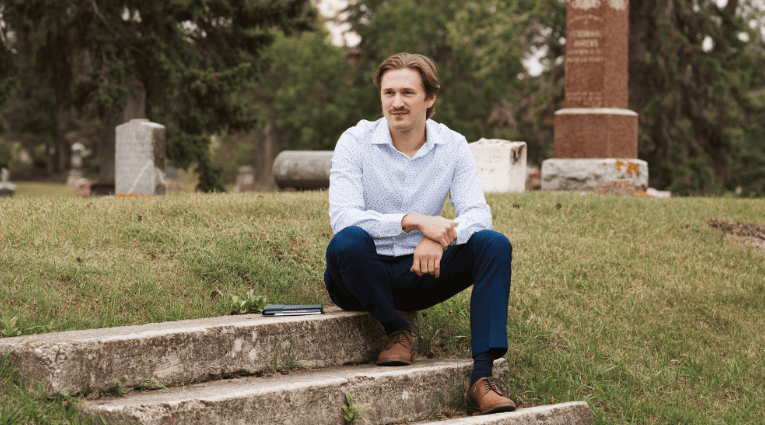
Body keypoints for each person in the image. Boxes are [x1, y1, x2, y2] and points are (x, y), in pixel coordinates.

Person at [324, 52, 516, 415]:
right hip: (361, 275)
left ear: (430, 99)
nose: (397, 103)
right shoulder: (355, 141)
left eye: (408, 93)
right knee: (348, 240)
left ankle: (482, 379)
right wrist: (414, 220)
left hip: (422, 271)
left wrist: (439, 235)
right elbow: (344, 217)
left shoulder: (453, 145)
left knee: (494, 245)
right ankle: (396, 329)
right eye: (389, 93)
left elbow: (478, 214)